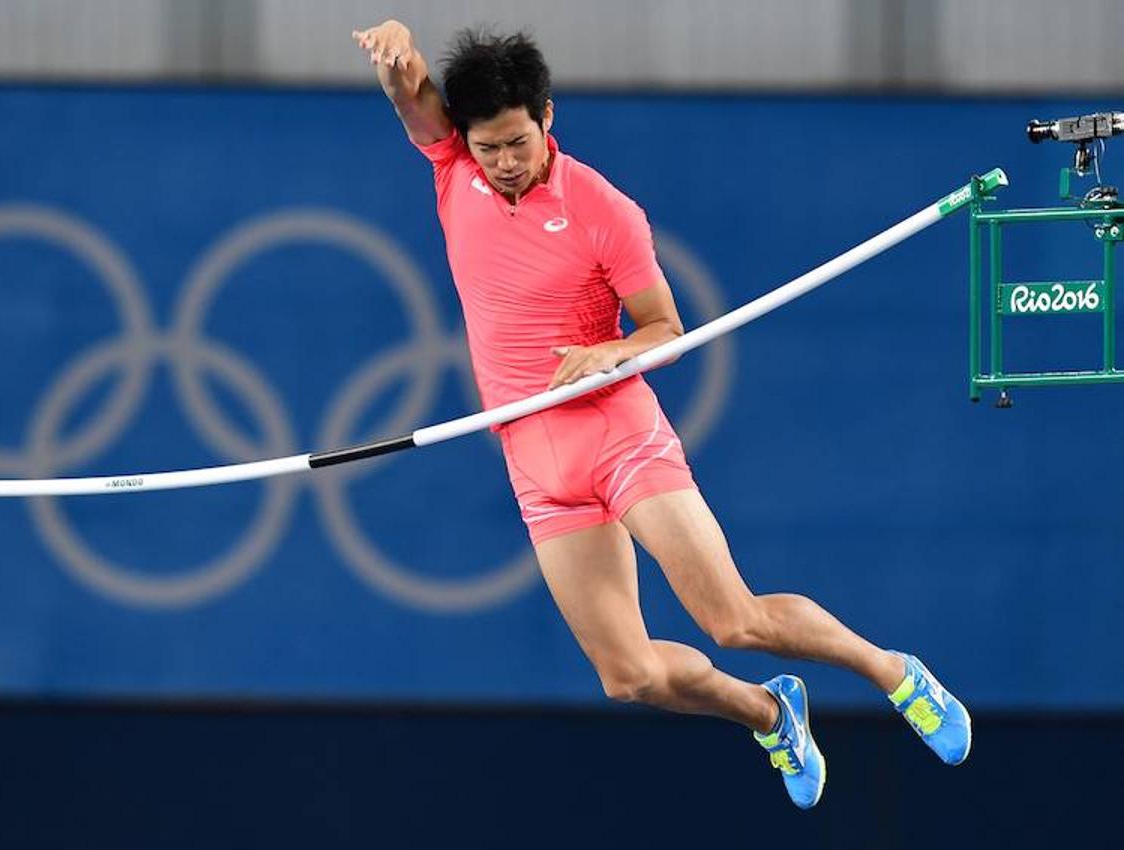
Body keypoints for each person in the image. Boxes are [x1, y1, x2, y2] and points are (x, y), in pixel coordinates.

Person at [351, 20, 970, 808]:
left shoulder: (604, 209)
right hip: (535, 463)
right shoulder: (452, 168)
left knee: (734, 621)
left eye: (517, 143)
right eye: (489, 149)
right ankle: (770, 712)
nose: (505, 164)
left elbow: (666, 331)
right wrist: (396, 52)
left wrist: (610, 352)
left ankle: (894, 673)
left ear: (547, 118)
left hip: (616, 433)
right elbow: (411, 94)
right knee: (628, 675)